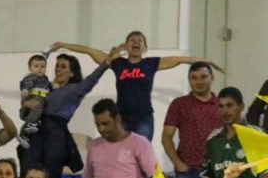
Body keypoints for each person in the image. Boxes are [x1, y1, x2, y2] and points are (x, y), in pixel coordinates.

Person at [53, 33, 222, 141]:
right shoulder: (118, 63)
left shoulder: (151, 63)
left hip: (143, 117)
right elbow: (89, 51)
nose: (136, 42)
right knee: (121, 153)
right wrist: (64, 44)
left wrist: (207, 61)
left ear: (145, 47)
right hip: (122, 117)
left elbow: (180, 59)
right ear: (126, 46)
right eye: (132, 40)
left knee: (142, 153)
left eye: (140, 40)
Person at [18, 50, 114, 178]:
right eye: (57, 66)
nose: (58, 69)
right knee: (27, 174)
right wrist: (25, 103)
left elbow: (91, 80)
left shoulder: (74, 89)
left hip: (55, 132)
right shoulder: (45, 87)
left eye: (63, 67)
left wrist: (106, 63)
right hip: (35, 131)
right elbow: (23, 113)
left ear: (72, 73)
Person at [162, 62, 220, 178]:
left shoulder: (221, 105)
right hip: (187, 171)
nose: (199, 82)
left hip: (214, 173)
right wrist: (177, 163)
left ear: (212, 78)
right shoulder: (179, 104)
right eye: (194, 78)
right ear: (189, 80)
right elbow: (166, 137)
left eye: (203, 77)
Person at [18, 53, 51, 141]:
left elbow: (49, 88)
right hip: (34, 96)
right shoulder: (31, 78)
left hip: (44, 98)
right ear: (30, 68)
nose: (40, 69)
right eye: (36, 66)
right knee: (37, 106)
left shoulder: (45, 79)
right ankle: (27, 128)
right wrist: (25, 91)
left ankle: (26, 136)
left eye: (43, 67)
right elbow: (27, 85)